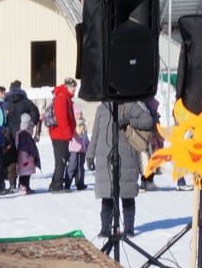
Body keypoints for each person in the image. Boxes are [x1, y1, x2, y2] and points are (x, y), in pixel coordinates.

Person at [86, 99, 156, 237]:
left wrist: (130, 121)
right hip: (104, 158)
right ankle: (105, 228)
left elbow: (148, 121)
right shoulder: (102, 108)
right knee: (107, 195)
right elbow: (95, 134)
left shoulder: (130, 105)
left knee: (127, 194)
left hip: (127, 158)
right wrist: (90, 154)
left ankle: (129, 228)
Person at [48, 78, 78, 190]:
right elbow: (62, 118)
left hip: (61, 134)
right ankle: (57, 186)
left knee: (62, 160)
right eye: (73, 87)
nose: (75, 89)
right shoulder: (62, 98)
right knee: (61, 161)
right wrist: (68, 133)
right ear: (67, 87)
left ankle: (54, 183)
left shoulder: (65, 97)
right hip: (60, 135)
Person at [15, 114, 41, 195]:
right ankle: (22, 186)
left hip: (29, 159)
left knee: (27, 174)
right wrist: (25, 159)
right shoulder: (23, 135)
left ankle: (27, 186)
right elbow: (23, 150)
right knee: (24, 175)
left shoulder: (26, 135)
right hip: (25, 160)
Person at [65, 118, 89, 192]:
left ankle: (80, 184)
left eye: (83, 125)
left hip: (82, 152)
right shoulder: (74, 134)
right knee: (72, 167)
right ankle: (67, 184)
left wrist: (88, 149)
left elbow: (87, 142)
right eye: (80, 125)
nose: (82, 127)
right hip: (73, 152)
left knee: (80, 168)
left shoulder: (84, 134)